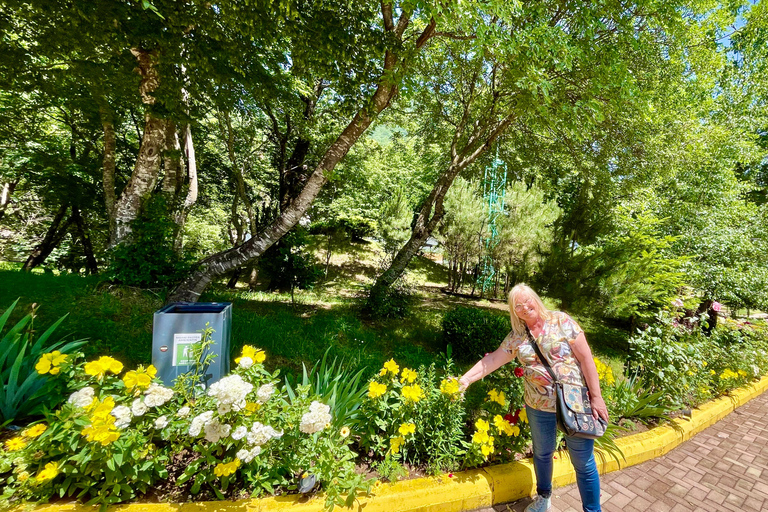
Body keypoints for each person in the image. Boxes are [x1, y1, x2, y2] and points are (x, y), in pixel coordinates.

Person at [458, 283, 609, 512]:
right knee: (542, 453)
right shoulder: (518, 336)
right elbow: (492, 360)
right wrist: (465, 379)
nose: (525, 307)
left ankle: (592, 510)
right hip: (538, 406)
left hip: (574, 403)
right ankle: (544, 496)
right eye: (518, 306)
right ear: (514, 312)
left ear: (536, 299)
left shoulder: (561, 321)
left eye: (527, 301)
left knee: (583, 461)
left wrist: (596, 397)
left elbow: (586, 358)